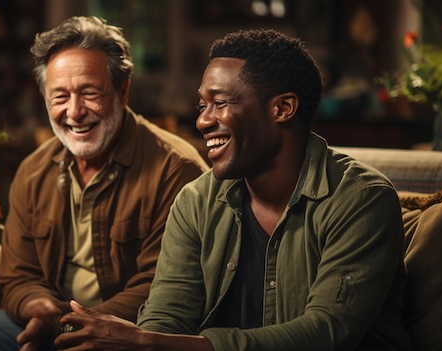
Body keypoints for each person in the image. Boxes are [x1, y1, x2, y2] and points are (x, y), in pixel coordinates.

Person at [53, 28, 413, 350]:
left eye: (220, 103)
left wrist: (146, 341)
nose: (202, 120)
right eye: (202, 105)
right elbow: (166, 316)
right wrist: (145, 339)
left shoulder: (361, 200)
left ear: (283, 108)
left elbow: (328, 332)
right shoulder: (196, 201)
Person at [0, 16, 208, 351]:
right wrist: (39, 308)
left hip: (134, 335)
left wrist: (79, 328)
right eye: (59, 96)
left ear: (123, 89)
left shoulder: (177, 170)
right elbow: (18, 274)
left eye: (89, 92)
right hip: (51, 328)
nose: (74, 112)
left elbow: (164, 287)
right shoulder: (33, 171)